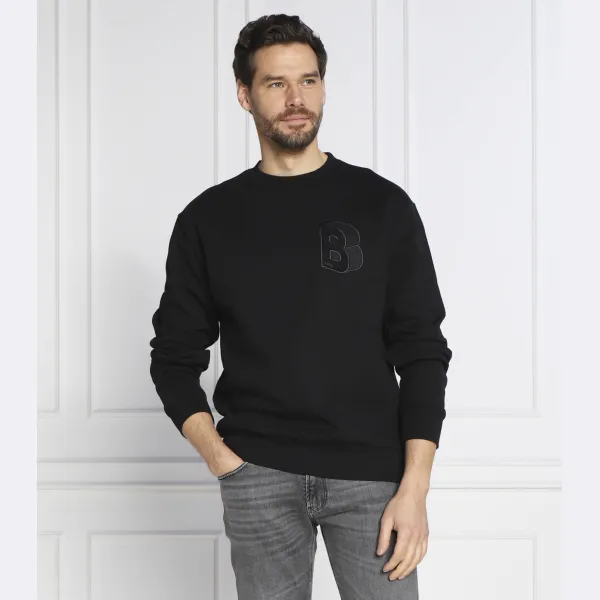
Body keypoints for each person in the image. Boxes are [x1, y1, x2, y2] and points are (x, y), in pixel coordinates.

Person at [149, 13, 452, 600]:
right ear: (245, 94)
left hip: (372, 478)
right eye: (276, 83)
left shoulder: (382, 205)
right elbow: (173, 357)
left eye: (308, 81)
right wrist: (222, 459)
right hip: (258, 474)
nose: (296, 99)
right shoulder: (209, 219)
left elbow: (422, 350)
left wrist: (415, 487)